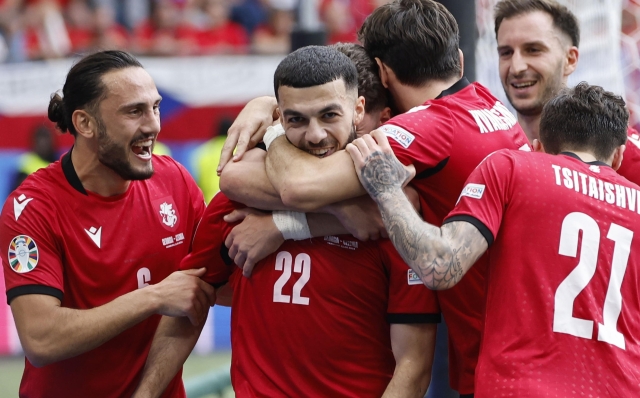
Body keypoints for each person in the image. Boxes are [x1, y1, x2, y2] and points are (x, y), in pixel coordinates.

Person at [217, 1, 530, 395]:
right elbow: (397, 207)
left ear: (381, 73)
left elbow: (296, 186)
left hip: (496, 357)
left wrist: (277, 124)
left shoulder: (424, 128)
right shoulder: (487, 103)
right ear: (459, 60)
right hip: (522, 334)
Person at [133, 45, 438, 398]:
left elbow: (413, 367)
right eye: (297, 120)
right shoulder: (238, 203)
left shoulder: (393, 214)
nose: (315, 135)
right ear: (280, 118)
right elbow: (190, 297)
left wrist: (286, 225)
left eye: (328, 116)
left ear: (358, 111)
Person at [348, 82, 640, 396]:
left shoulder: (513, 167)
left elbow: (439, 265)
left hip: (520, 387)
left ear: (538, 147)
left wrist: (386, 188)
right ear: (618, 154)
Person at [0, 50, 214, 398]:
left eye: (155, 107)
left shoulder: (174, 181)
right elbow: (41, 338)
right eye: (134, 111)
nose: (153, 125)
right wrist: (154, 297)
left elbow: (215, 285)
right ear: (85, 123)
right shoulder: (34, 208)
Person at [494, 0, 640, 185]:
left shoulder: (612, 141)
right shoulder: (484, 145)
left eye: (533, 50)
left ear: (570, 59)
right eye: (506, 53)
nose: (516, 68)